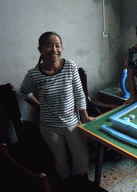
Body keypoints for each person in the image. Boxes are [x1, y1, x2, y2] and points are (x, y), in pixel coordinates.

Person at [20, 31, 95, 191]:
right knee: (61, 163)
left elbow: (79, 94)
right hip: (49, 127)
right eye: (48, 45)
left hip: (72, 124)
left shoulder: (70, 66)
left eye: (57, 45)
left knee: (81, 160)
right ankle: (66, 186)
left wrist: (85, 117)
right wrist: (39, 106)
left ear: (61, 48)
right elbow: (24, 92)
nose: (54, 49)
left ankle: (80, 184)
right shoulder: (34, 74)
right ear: (40, 49)